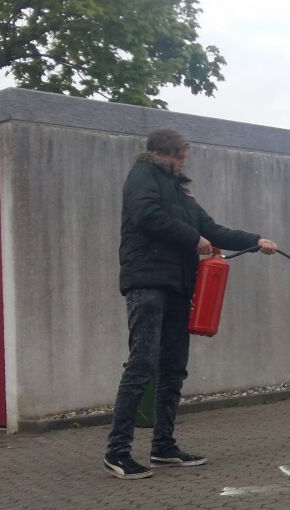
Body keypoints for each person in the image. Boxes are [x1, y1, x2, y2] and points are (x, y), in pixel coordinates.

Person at [104, 128, 278, 480]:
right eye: (178, 156)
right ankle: (117, 452)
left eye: (183, 157)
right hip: (147, 283)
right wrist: (192, 238)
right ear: (161, 153)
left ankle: (163, 446)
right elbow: (146, 215)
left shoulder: (182, 194)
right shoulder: (142, 176)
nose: (182, 162)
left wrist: (256, 240)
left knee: (173, 368)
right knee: (141, 365)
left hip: (179, 287)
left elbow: (213, 230)